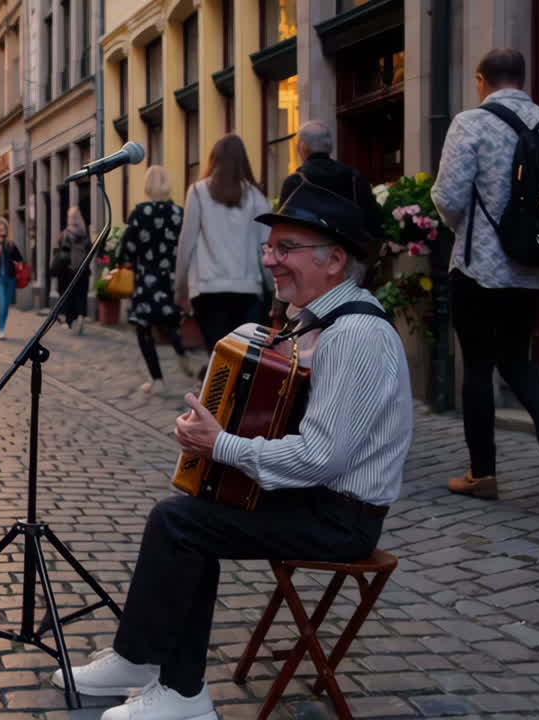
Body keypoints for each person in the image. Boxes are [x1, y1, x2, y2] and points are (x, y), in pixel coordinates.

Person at [53, 182, 413, 720]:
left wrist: (220, 444)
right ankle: (147, 665)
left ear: (335, 260)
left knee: (182, 525)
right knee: (183, 515)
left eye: (285, 248)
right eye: (272, 248)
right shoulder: (322, 322)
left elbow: (320, 457)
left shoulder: (354, 334)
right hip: (320, 501)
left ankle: (178, 692)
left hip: (342, 520)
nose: (270, 259)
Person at [430, 47, 539, 509]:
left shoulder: (470, 123)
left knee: (477, 365)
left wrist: (466, 227)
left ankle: (484, 474)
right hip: (532, 268)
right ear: (522, 77)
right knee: (519, 361)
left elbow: (450, 198)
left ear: (481, 79)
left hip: (479, 266)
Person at [273, 120, 386, 328]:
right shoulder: (354, 177)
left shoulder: (296, 181)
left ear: (302, 147)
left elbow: (284, 232)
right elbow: (376, 224)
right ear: (330, 147)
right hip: (350, 270)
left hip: (310, 269)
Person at [176, 134, 272, 378]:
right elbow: (267, 249)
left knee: (220, 359)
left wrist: (181, 289)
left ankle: (216, 404)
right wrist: (275, 294)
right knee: (243, 364)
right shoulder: (257, 197)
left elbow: (186, 244)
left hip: (209, 291)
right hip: (248, 292)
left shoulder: (197, 192)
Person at [119, 165, 193, 400]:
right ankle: (183, 356)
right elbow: (186, 247)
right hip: (171, 277)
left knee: (144, 327)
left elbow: (128, 249)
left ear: (147, 186)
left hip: (147, 277)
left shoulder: (140, 213)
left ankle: (157, 379)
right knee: (170, 321)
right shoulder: (178, 213)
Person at [54, 206, 91, 334]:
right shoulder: (84, 234)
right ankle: (80, 318)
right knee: (81, 296)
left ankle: (69, 320)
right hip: (83, 271)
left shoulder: (66, 233)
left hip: (69, 271)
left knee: (69, 296)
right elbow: (89, 251)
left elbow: (61, 250)